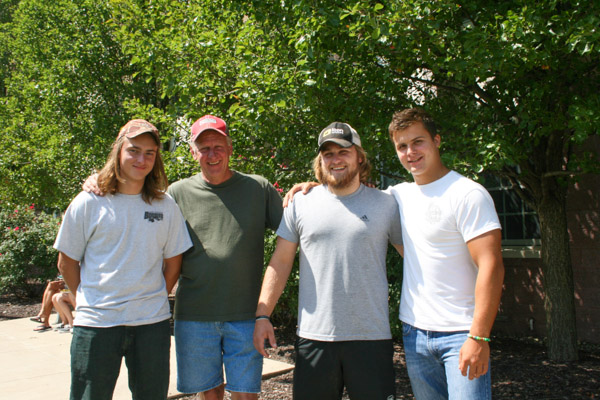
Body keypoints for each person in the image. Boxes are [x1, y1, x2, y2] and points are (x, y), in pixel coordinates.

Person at [253, 122, 403, 400]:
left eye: (343, 152)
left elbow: (415, 257)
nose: (335, 160)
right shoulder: (300, 203)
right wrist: (263, 314)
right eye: (328, 153)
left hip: (371, 337)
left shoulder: (386, 204)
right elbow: (281, 262)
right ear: (321, 160)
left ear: (359, 156)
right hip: (315, 338)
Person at [54, 119, 193, 400]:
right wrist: (86, 298)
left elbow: (174, 262)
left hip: (150, 324)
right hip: (96, 325)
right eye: (134, 150)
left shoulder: (165, 205)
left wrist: (153, 297)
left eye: (150, 153)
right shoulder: (89, 202)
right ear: (118, 151)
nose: (141, 159)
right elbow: (66, 262)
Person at [387, 108, 504, 399]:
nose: (410, 152)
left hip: (461, 334)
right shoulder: (398, 196)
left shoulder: (467, 194)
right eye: (402, 146)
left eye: (418, 142)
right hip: (415, 334)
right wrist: (313, 187)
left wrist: (479, 336)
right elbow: (353, 196)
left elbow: (492, 266)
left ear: (436, 140)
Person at [167, 115, 283, 400]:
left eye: (218, 146)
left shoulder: (258, 189)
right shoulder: (176, 193)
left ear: (230, 148)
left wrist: (313, 188)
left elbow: (294, 229)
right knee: (210, 394)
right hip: (195, 314)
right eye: (203, 148)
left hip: (246, 315)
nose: (212, 154)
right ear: (193, 153)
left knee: (246, 394)